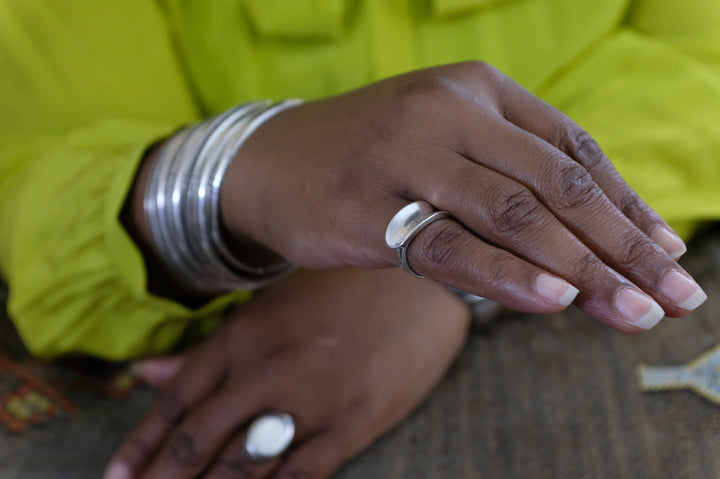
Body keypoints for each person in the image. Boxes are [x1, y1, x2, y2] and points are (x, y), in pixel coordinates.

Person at [0, 1, 719, 478]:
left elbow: (695, 58)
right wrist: (237, 172)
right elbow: (38, 179)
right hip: (209, 330)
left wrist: (437, 269)